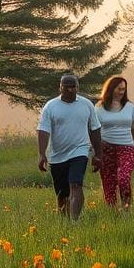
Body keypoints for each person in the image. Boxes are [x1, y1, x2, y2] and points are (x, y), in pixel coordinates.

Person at [37, 73, 102, 220]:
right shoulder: (51, 106)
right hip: (57, 155)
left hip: (80, 151)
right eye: (67, 87)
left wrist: (98, 155)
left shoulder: (86, 105)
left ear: (78, 87)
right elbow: (43, 131)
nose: (71, 90)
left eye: (74, 87)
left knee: (76, 184)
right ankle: (64, 221)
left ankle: (75, 221)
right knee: (62, 194)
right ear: (60, 88)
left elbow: (95, 129)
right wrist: (42, 154)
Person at [95, 76, 134, 209]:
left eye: (123, 89)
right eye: (119, 89)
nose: (122, 91)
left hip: (126, 147)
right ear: (111, 89)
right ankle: (112, 213)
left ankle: (127, 208)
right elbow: (94, 130)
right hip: (106, 148)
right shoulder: (99, 108)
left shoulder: (129, 107)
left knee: (123, 179)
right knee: (109, 184)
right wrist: (95, 153)